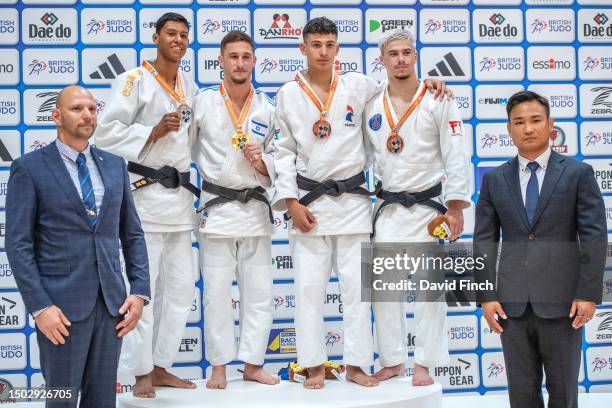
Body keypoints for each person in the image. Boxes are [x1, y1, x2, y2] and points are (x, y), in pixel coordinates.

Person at [273, 17, 449, 389]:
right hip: (308, 204)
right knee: (307, 291)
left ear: (338, 49)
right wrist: (290, 202)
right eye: (316, 44)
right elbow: (282, 152)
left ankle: (355, 364)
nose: (323, 51)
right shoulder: (287, 94)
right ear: (302, 49)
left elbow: (401, 91)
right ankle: (313, 365)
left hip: (353, 204)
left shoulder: (360, 86)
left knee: (358, 292)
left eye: (330, 44)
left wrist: (434, 82)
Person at [6, 86, 150, 408]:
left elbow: (133, 235)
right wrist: (41, 307)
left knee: (102, 401)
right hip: (61, 310)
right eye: (76, 109)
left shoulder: (114, 165)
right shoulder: (29, 168)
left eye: (91, 108)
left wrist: (139, 292)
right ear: (56, 116)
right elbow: (18, 245)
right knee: (62, 401)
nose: (87, 114)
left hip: (112, 306)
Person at [474, 90, 606, 408]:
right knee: (521, 394)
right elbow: (484, 242)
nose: (528, 128)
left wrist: (587, 294)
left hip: (563, 305)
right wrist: (487, 296)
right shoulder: (494, 179)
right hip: (512, 307)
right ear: (509, 129)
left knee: (563, 392)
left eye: (535, 120)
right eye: (519, 122)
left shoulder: (578, 174)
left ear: (551, 124)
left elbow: (594, 236)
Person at [93, 12, 198, 398]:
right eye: (171, 34)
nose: (178, 40)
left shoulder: (187, 82)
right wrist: (151, 130)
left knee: (182, 291)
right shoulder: (133, 80)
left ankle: (161, 364)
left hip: (180, 201)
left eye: (184, 35)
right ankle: (139, 373)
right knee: (143, 291)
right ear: (155, 37)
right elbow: (104, 133)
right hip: (146, 199)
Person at [364, 29, 471, 386]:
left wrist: (454, 209)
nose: (400, 59)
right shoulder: (371, 102)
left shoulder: (438, 99)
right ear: (382, 60)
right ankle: (393, 360)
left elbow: (456, 155)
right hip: (388, 207)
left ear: (415, 56)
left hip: (428, 209)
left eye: (406, 52)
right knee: (383, 291)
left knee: (429, 293)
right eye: (392, 53)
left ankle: (425, 361)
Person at [190, 31, 279, 389]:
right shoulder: (203, 103)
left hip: (255, 209)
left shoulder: (268, 108)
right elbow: (186, 150)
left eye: (246, 56)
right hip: (216, 209)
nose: (240, 63)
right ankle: (219, 366)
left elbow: (282, 158)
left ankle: (254, 363)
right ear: (221, 61)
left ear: (254, 61)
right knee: (215, 294)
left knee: (259, 292)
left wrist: (262, 163)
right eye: (233, 56)